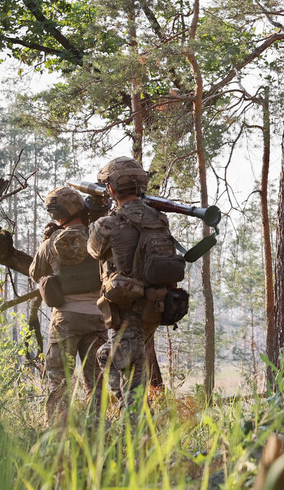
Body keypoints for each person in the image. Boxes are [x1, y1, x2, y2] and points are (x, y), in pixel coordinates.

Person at [87, 157, 187, 401]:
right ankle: (135, 422)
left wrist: (97, 214)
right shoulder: (159, 219)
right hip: (154, 307)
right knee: (112, 359)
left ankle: (135, 430)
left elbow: (93, 250)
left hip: (126, 311)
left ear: (111, 188)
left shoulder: (108, 223)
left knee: (130, 382)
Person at [28, 186, 108, 423]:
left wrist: (47, 241)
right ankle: (97, 432)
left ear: (57, 214)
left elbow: (35, 273)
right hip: (97, 317)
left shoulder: (51, 243)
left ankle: (55, 433)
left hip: (65, 319)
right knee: (97, 381)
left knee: (58, 380)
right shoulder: (98, 238)